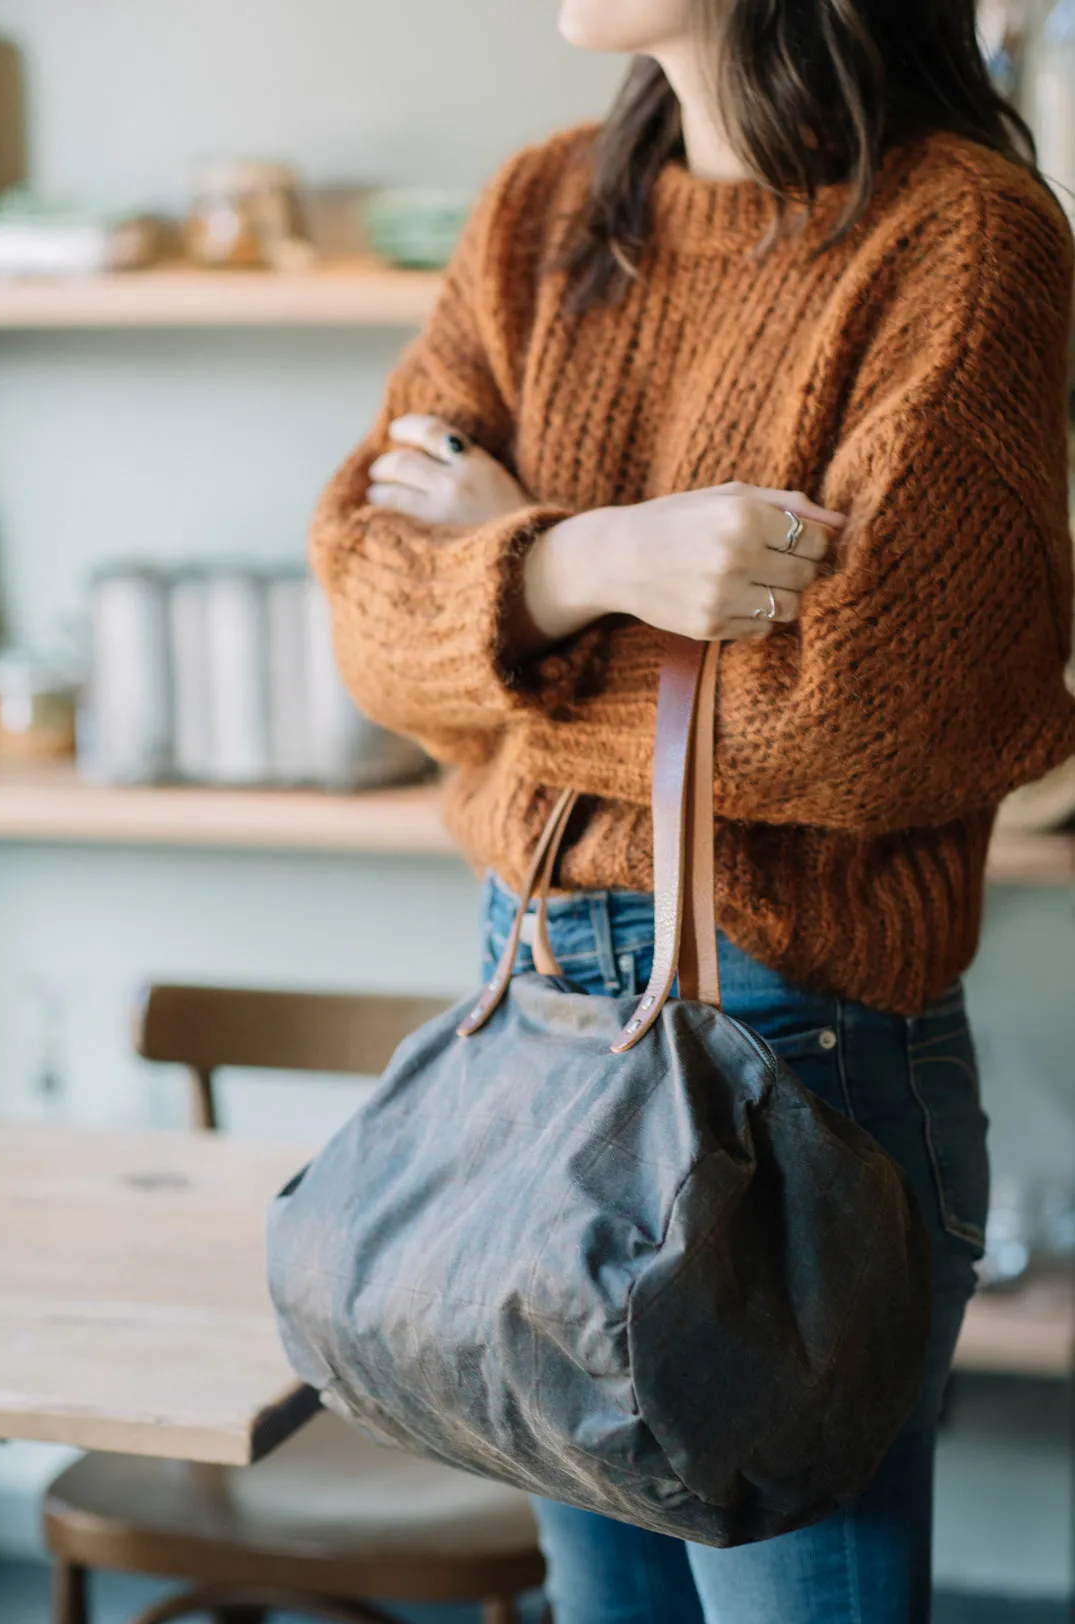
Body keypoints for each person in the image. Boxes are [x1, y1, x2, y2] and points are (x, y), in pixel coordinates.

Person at [310, 2, 1075, 1618]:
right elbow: (370, 617)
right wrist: (588, 557)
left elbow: (865, 725)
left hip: (794, 1044)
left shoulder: (963, 235)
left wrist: (507, 600)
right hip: (531, 1016)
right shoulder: (537, 211)